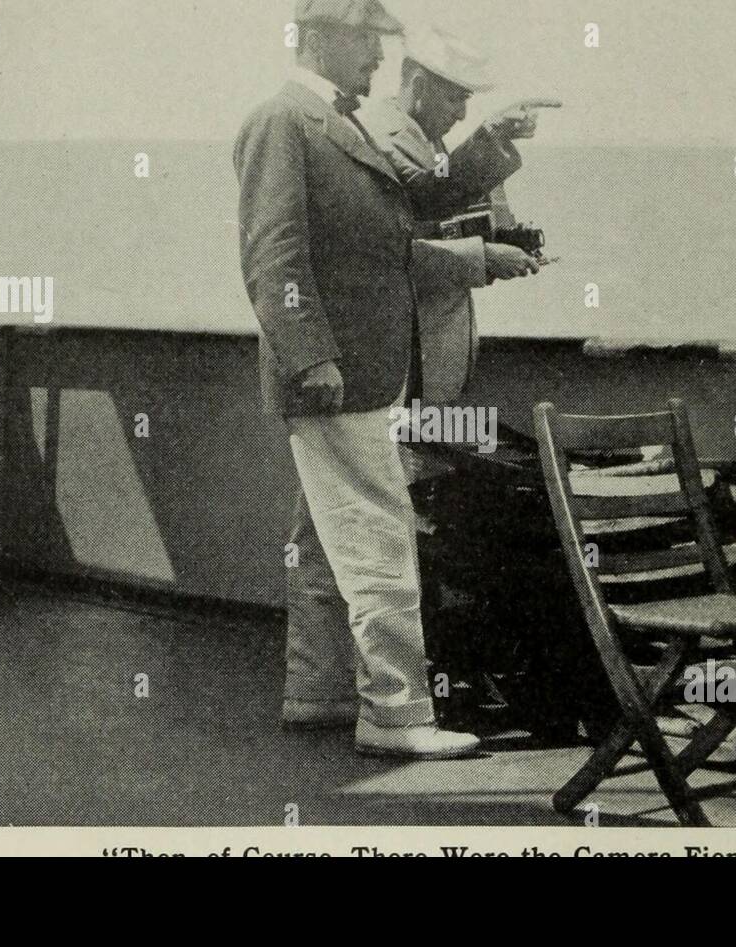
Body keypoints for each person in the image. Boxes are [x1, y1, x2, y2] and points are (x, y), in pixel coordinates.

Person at [234, 0, 526, 759]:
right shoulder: (282, 121)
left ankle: (320, 693)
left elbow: (397, 226)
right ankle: (396, 715)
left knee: (332, 541)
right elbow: (274, 256)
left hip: (361, 370)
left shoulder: (337, 122)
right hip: (339, 376)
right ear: (320, 40)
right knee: (380, 539)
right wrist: (311, 356)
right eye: (366, 45)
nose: (375, 62)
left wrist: (488, 145)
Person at [362, 24, 557, 404]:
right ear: (418, 87)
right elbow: (398, 245)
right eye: (456, 100)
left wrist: (507, 244)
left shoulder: (426, 140)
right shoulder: (381, 141)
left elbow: (451, 210)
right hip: (403, 361)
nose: (463, 113)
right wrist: (484, 258)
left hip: (435, 357)